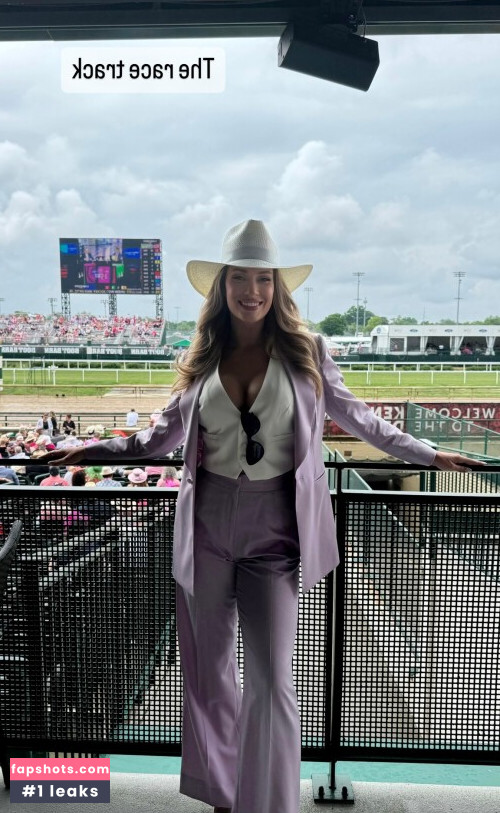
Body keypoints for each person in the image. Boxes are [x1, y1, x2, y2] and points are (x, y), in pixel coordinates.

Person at [42, 219, 481, 813]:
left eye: (264, 280)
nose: (252, 291)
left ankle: (268, 804)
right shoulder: (200, 355)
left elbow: (360, 418)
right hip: (205, 527)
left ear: (277, 287)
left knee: (272, 681)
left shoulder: (308, 351)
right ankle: (223, 796)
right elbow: (158, 437)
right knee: (209, 675)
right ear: (222, 286)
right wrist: (94, 450)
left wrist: (428, 454)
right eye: (240, 279)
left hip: (277, 531)